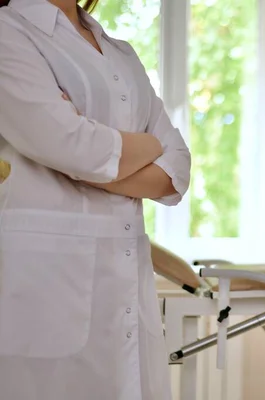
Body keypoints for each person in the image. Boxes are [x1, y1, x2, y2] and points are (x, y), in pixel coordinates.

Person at [0, 0, 191, 399]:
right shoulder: (8, 32)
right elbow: (71, 145)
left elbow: (177, 169)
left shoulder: (120, 52)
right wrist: (148, 146)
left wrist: (94, 160)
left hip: (125, 284)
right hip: (45, 285)